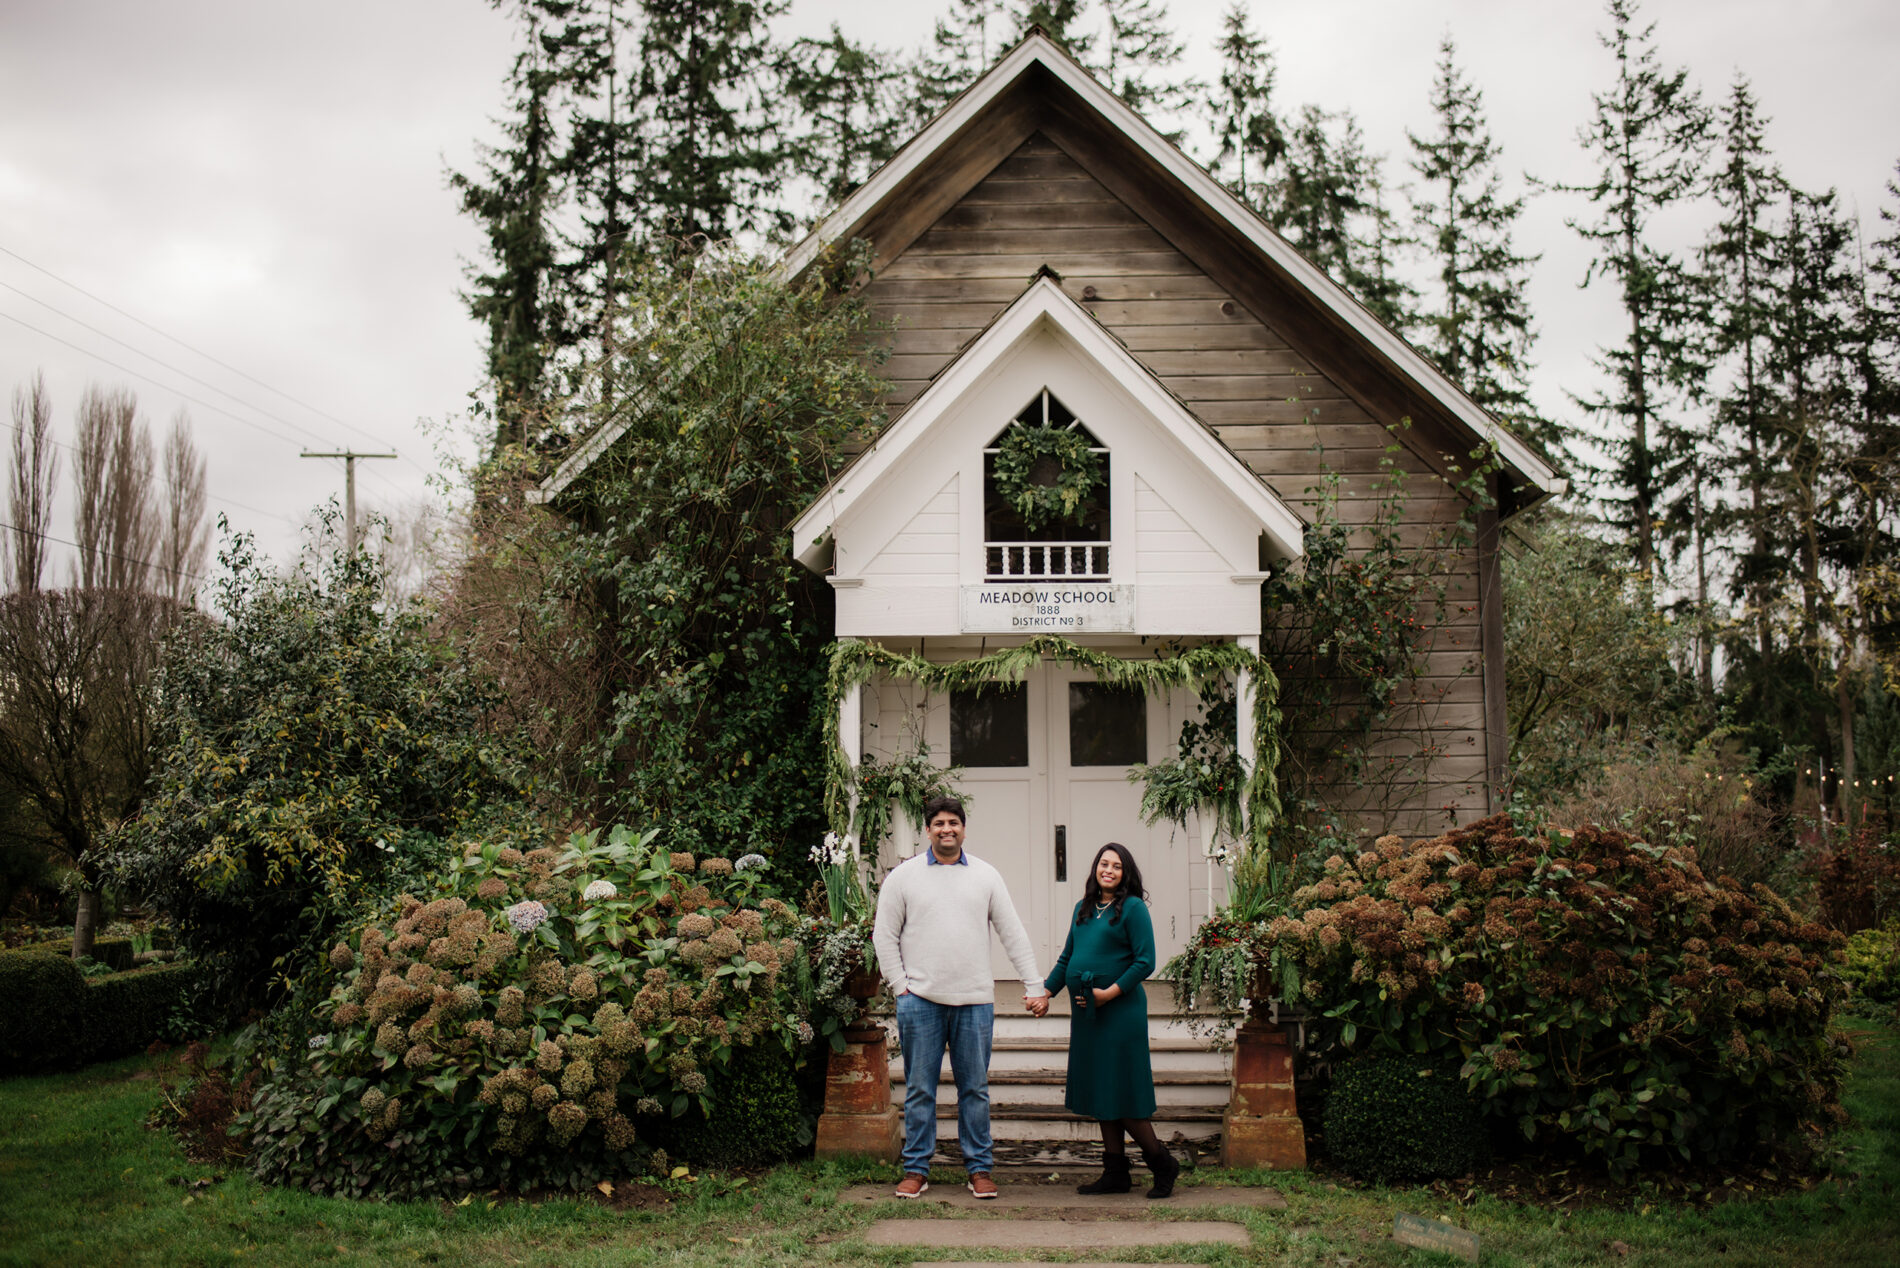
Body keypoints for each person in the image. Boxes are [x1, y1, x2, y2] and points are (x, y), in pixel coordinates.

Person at [872, 794, 1050, 1200]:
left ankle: (979, 1168)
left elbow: (1012, 932)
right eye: (939, 823)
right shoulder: (904, 876)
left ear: (963, 828)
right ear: (928, 829)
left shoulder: (986, 876)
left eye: (953, 822)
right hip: (920, 1002)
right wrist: (901, 987)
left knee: (975, 1089)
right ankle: (916, 1168)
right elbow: (884, 935)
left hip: (974, 1001)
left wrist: (1034, 984)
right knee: (920, 1089)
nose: (946, 829)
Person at [1042, 842, 1180, 1198]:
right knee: (1103, 1089)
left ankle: (1162, 1162)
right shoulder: (1083, 908)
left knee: (1123, 1091)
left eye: (1116, 866)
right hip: (1087, 1013)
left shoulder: (1132, 909)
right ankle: (1115, 1173)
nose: (1108, 870)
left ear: (1126, 873)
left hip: (1120, 1012)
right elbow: (1066, 958)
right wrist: (1045, 993)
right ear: (1095, 868)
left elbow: (1145, 961)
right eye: (1103, 863)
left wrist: (1110, 993)